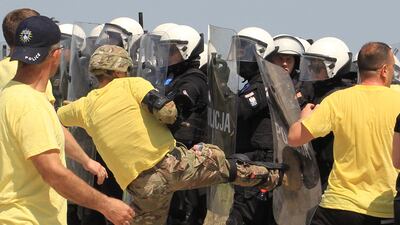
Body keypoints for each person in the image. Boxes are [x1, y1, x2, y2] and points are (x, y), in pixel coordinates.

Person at [57, 44, 286, 225]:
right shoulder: (133, 84)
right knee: (220, 163)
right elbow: (167, 110)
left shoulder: (84, 107)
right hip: (172, 164)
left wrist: (73, 105)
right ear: (119, 70)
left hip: (143, 185)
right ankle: (275, 178)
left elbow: (55, 115)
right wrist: (171, 123)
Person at [0, 15, 134, 225]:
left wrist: (86, 161)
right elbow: (53, 173)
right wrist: (106, 204)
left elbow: (54, 130)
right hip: (28, 218)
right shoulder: (30, 104)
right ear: (56, 54)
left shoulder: (9, 94)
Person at [288, 41, 400, 225]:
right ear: (385, 70)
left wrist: (303, 117)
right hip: (385, 209)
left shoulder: (337, 100)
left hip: (338, 206)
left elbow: (294, 138)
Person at [153, 24, 208, 225]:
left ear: (186, 50)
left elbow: (179, 105)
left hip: (188, 160)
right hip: (169, 159)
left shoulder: (194, 78)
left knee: (182, 215)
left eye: (172, 51)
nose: (167, 56)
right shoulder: (169, 78)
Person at [228, 26, 277, 225]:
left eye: (244, 51)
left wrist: (220, 97)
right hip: (245, 160)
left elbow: (241, 109)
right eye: (237, 50)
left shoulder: (265, 83)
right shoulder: (250, 83)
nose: (239, 56)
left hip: (259, 163)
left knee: (244, 217)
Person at [297, 37, 355, 189]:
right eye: (310, 66)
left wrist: (305, 112)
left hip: (333, 173)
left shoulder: (340, 95)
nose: (312, 72)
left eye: (318, 68)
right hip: (315, 167)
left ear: (333, 67)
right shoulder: (316, 90)